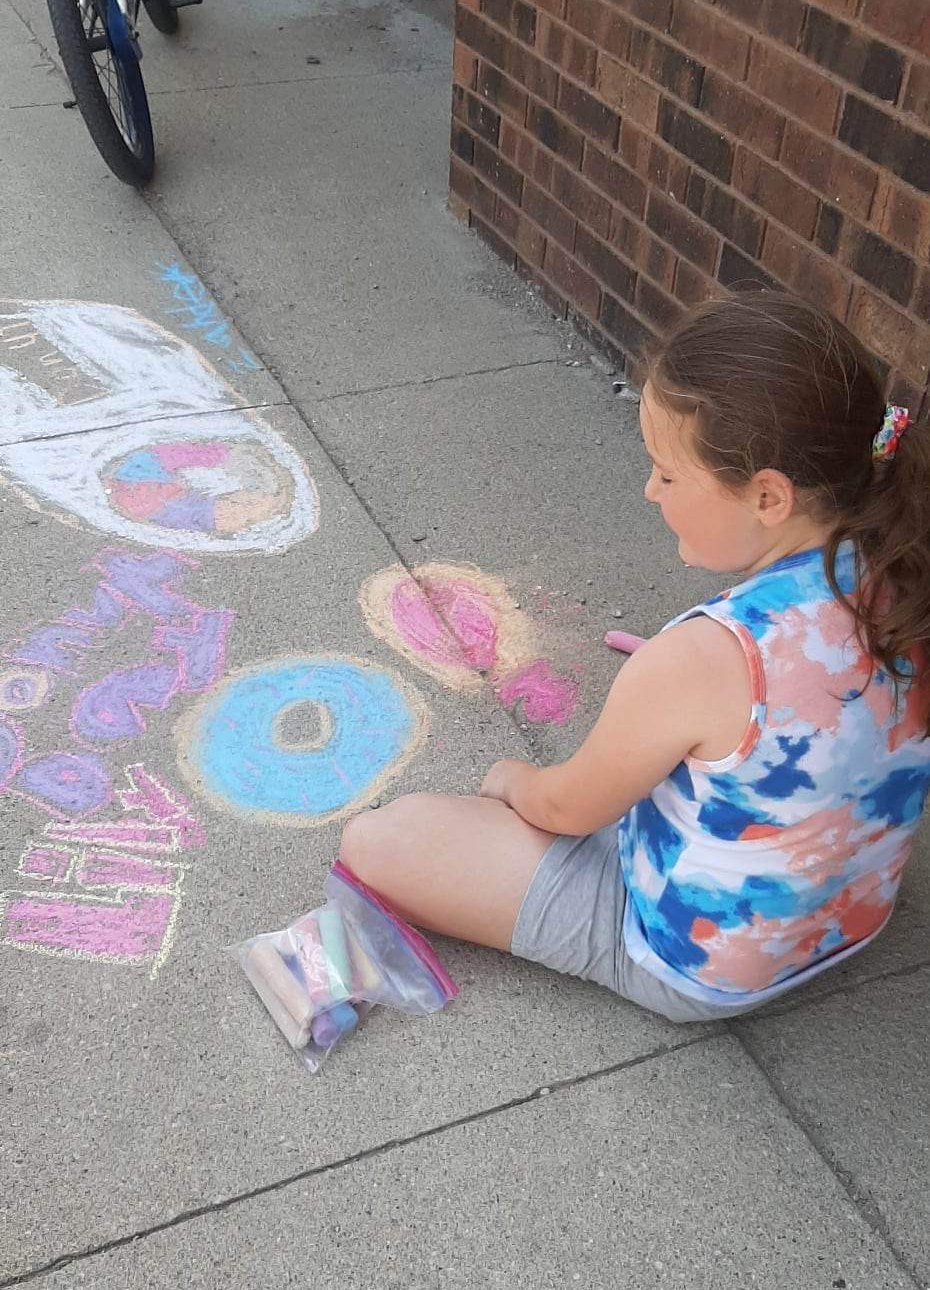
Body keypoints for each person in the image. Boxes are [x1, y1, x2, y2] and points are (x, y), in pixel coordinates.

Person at [340, 294, 930, 1023]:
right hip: (853, 919)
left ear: (769, 496)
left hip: (698, 964)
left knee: (380, 842)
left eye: (668, 474)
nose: (650, 491)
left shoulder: (704, 657)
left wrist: (513, 779)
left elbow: (568, 808)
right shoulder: (907, 571)